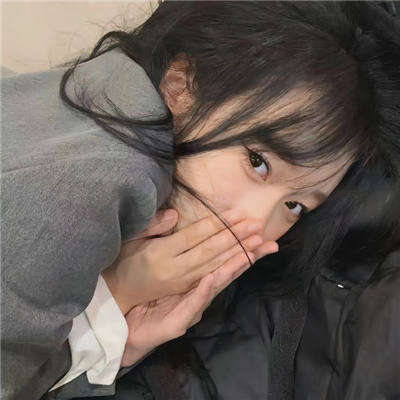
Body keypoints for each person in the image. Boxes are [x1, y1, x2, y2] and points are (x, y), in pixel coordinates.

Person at [1, 1, 399, 399]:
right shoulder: (106, 180)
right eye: (258, 161)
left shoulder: (97, 90)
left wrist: (118, 341)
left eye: (295, 206)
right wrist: (115, 299)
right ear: (180, 87)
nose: (257, 226)